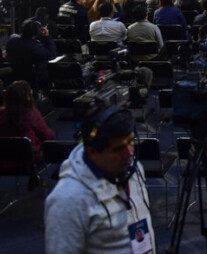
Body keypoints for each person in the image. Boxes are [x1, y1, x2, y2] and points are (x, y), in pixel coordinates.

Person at [45, 106, 155, 254]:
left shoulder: (132, 169)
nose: (129, 153)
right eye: (118, 149)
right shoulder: (68, 200)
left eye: (131, 141)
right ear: (92, 152)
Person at [0, 80, 55, 169]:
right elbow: (47, 136)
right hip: (29, 159)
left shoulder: (1, 114)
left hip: (4, 159)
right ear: (28, 97)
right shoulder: (32, 114)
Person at [5, 19, 54, 94]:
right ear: (36, 34)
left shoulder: (12, 41)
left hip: (13, 76)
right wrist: (47, 37)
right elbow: (51, 54)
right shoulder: (35, 48)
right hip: (32, 78)